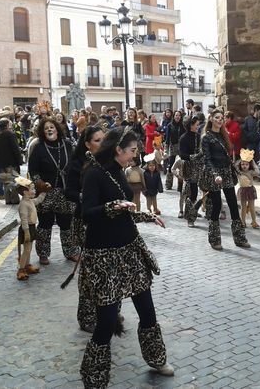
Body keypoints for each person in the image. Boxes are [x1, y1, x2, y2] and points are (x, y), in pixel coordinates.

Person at [79, 127, 173, 388]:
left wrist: (145, 216)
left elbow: (124, 209)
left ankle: (156, 359)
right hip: (103, 258)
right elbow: (87, 213)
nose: (135, 155)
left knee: (148, 312)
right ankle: (94, 378)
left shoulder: (118, 171)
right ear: (118, 149)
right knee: (107, 322)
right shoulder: (94, 174)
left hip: (130, 252)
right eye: (132, 150)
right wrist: (113, 206)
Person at [65, 125, 106, 332]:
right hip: (85, 221)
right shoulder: (77, 164)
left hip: (107, 220)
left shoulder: (108, 162)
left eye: (103, 139)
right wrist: (86, 196)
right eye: (97, 140)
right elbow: (69, 192)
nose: (102, 143)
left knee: (108, 269)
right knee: (90, 272)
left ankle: (109, 311)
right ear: (87, 144)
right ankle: (87, 316)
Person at [199, 109, 250, 250]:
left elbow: (228, 155)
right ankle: (214, 239)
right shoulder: (206, 137)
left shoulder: (224, 135)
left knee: (233, 204)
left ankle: (239, 238)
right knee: (216, 205)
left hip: (226, 172)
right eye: (217, 117)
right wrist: (215, 174)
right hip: (214, 174)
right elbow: (207, 159)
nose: (220, 120)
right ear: (211, 119)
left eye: (221, 118)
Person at [28, 118, 77, 265]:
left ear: (57, 129)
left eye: (52, 127)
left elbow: (75, 164)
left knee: (67, 224)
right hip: (46, 193)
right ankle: (43, 254)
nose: (49, 130)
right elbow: (33, 170)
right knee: (45, 224)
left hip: (65, 191)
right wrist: (39, 183)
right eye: (46, 128)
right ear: (42, 132)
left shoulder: (67, 144)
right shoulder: (38, 147)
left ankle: (70, 251)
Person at [15, 176, 48, 280]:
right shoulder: (23, 204)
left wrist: (44, 192)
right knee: (26, 250)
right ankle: (21, 269)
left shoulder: (30, 201)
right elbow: (24, 219)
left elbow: (38, 200)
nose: (34, 191)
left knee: (29, 249)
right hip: (27, 228)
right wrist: (26, 232)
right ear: (25, 192)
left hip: (32, 227)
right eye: (32, 189)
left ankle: (27, 265)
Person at [0, 118, 23, 203]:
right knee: (13, 180)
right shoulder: (10, 134)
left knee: (5, 181)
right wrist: (19, 160)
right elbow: (15, 148)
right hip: (10, 162)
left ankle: (8, 199)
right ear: (7, 125)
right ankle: (14, 199)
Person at [180, 115, 202, 227]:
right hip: (189, 167)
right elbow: (182, 154)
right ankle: (190, 217)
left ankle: (192, 211)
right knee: (190, 192)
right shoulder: (184, 138)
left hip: (198, 167)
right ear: (190, 125)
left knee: (195, 191)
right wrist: (194, 156)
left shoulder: (198, 136)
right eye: (196, 124)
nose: (198, 126)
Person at [236, 148, 259, 229]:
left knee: (252, 207)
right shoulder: (239, 172)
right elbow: (235, 166)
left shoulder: (251, 172)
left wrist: (252, 161)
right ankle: (243, 222)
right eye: (242, 164)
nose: (244, 166)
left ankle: (254, 221)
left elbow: (257, 172)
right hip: (243, 190)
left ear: (249, 165)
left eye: (246, 164)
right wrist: (242, 158)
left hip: (250, 190)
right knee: (243, 207)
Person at [165, 110, 185, 190]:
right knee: (171, 165)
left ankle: (180, 185)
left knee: (181, 165)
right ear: (174, 116)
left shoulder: (183, 125)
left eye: (179, 115)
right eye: (176, 115)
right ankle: (168, 184)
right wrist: (166, 149)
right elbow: (167, 138)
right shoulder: (170, 125)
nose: (177, 117)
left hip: (182, 147)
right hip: (173, 146)